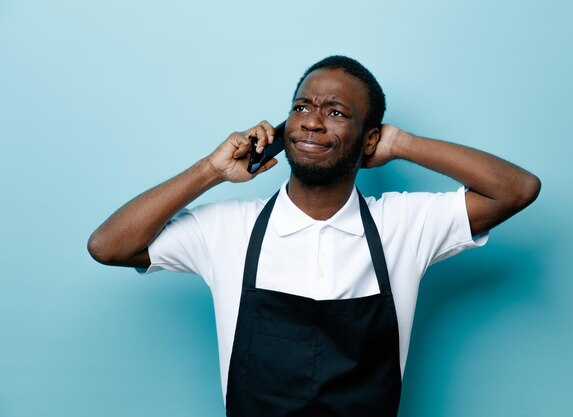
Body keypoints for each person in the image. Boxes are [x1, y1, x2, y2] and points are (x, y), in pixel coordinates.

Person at [88, 55, 540, 417]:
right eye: (301, 107)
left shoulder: (404, 225)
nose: (312, 122)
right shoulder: (229, 229)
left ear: (369, 140)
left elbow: (516, 190)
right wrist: (210, 170)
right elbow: (108, 246)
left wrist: (401, 143)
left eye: (336, 112)